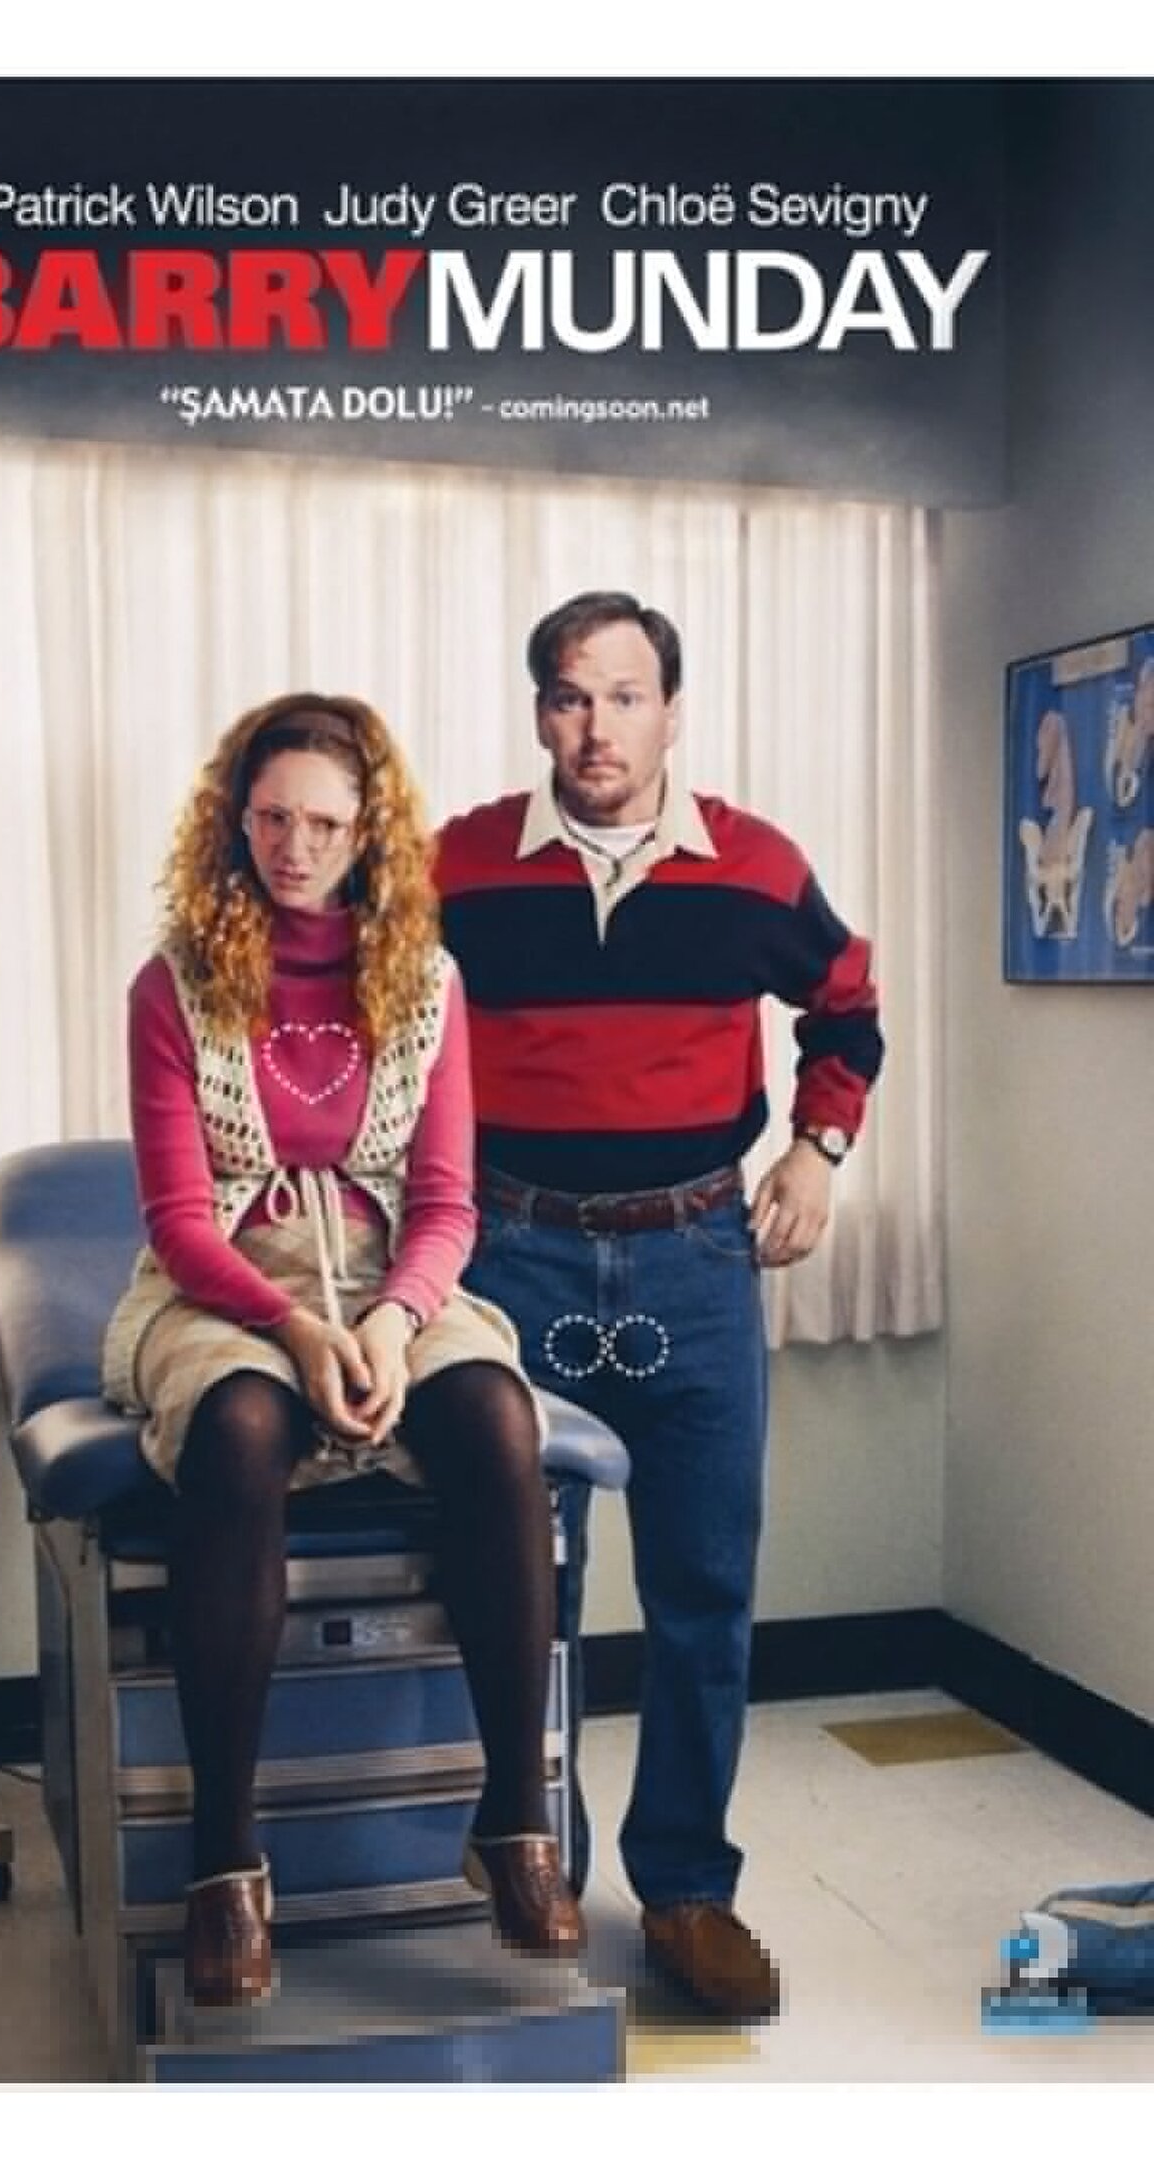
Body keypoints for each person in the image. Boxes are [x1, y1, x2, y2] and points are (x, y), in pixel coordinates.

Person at [435, 591, 884, 2020]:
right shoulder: (459, 866)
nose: (597, 727)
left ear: (670, 712)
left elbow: (849, 1004)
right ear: (539, 714)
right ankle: (538, 1866)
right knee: (523, 1589)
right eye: (571, 697)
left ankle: (687, 1889)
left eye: (625, 697)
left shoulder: (756, 868)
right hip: (515, 1262)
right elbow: (372, 1017)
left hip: (694, 1262)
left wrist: (816, 1151)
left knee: (703, 1591)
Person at [102, 691, 581, 2007]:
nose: (295, 847)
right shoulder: (173, 985)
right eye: (270, 819)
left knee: (495, 1419)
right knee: (240, 1428)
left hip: (388, 1282)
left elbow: (448, 1205)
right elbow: (178, 1221)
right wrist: (298, 1330)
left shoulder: (425, 982)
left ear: (369, 831)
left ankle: (514, 1823)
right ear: (233, 821)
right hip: (226, 1287)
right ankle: (224, 1863)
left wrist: (388, 1320)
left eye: (323, 822)